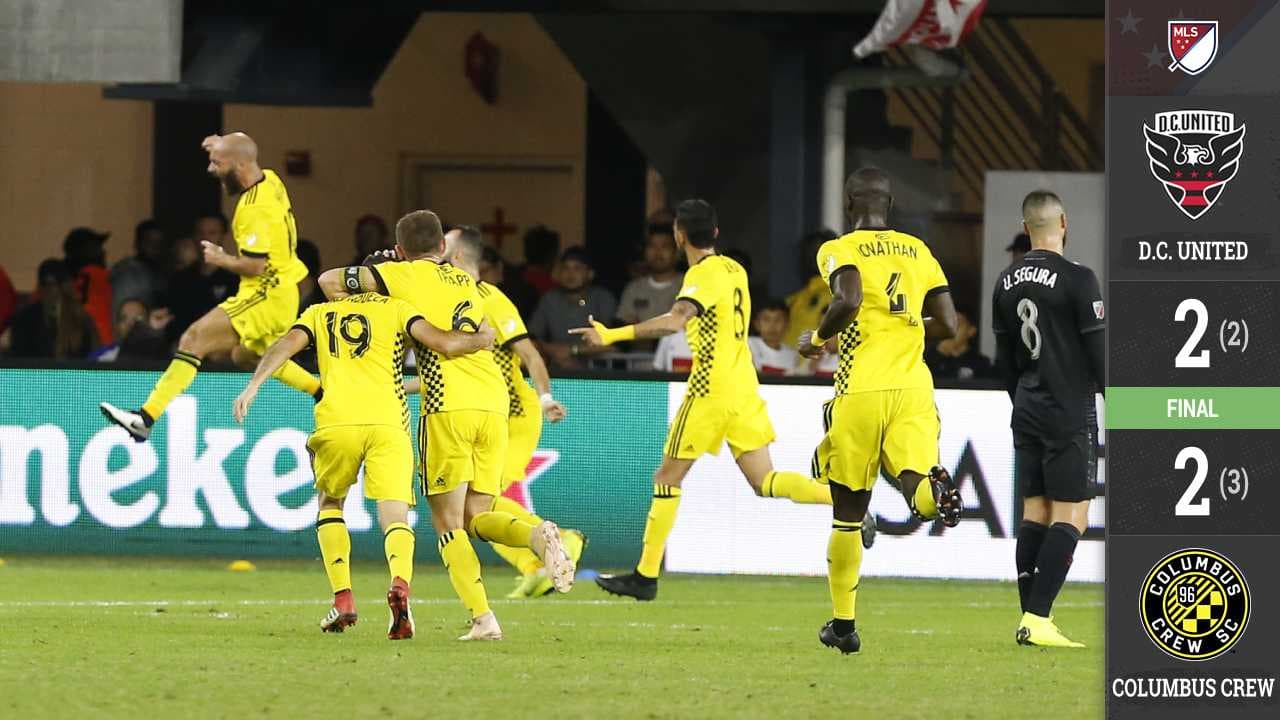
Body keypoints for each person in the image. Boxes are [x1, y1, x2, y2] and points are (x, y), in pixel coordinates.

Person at [317, 209, 575, 641]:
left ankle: (483, 617)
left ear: (401, 251)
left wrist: (380, 272)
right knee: (478, 514)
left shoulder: (400, 275)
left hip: (447, 407)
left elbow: (327, 283)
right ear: (443, 249)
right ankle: (534, 536)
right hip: (494, 405)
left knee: (448, 524)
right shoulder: (468, 282)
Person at [571, 199, 833, 602]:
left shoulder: (703, 274)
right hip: (744, 387)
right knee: (764, 481)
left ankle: (644, 576)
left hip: (710, 389)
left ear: (679, 235)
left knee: (666, 479)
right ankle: (846, 502)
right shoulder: (735, 269)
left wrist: (612, 335)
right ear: (714, 232)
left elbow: (675, 321)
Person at [233, 289, 495, 640]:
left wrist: (254, 386)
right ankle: (400, 584)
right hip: (388, 424)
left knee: (330, 503)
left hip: (337, 422)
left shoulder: (319, 312)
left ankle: (343, 597)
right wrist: (481, 339)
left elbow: (285, 344)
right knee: (395, 516)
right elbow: (441, 342)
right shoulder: (398, 307)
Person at [796, 167, 962, 655]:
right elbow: (950, 325)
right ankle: (934, 497)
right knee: (914, 478)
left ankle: (843, 626)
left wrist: (820, 340)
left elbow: (847, 300)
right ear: (889, 205)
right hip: (913, 384)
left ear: (850, 204)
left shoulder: (838, 249)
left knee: (848, 511)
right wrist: (907, 327)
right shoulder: (919, 250)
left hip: (862, 388)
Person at [100, 132, 321, 441]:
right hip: (282, 290)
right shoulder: (271, 180)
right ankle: (322, 393)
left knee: (193, 338)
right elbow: (242, 147)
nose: (211, 169)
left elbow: (255, 265)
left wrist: (221, 259)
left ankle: (145, 418)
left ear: (240, 165)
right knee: (255, 356)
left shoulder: (254, 209)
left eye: (217, 163)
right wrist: (222, 143)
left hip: (265, 294)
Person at [416, 225, 586, 599]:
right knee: (470, 512)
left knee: (480, 505)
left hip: (512, 414)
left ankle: (559, 541)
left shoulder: (489, 298)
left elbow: (528, 353)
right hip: (477, 411)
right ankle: (537, 564)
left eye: (444, 251)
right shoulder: (445, 300)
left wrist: (545, 397)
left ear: (457, 258)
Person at [992, 190, 1104, 649]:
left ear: (1026, 228)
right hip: (1067, 408)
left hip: (1027, 406)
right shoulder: (1080, 279)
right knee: (1072, 515)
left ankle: (1028, 618)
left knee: (1034, 511)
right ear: (1063, 222)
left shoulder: (1005, 281)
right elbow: (1099, 358)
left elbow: (1003, 362)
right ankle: (1037, 618)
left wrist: (1021, 402)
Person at [529, 247, 617, 369]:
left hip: (598, 370)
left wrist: (572, 350)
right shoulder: (549, 299)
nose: (570, 274)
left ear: (590, 274)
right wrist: (554, 350)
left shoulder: (603, 298)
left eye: (577, 268)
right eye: (566, 268)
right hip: (557, 366)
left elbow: (613, 344)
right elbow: (532, 338)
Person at [163, 218, 239, 342]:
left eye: (212, 233)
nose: (205, 239)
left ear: (222, 236)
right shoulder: (180, 280)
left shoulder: (236, 279)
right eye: (200, 233)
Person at [8, 259, 99, 359]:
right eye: (46, 285)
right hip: (39, 373)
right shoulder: (24, 320)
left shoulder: (81, 319)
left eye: (53, 285)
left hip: (73, 373)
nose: (51, 291)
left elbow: (94, 357)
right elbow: (18, 359)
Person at [617, 217, 683, 351]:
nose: (657, 253)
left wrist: (643, 334)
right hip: (637, 366)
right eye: (652, 246)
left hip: (677, 364)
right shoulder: (634, 288)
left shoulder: (688, 285)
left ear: (677, 253)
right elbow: (623, 330)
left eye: (665, 246)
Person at [785, 229, 838, 347]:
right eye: (809, 251)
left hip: (818, 362)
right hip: (789, 361)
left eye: (818, 250)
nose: (812, 256)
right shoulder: (796, 297)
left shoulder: (839, 294)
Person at [63, 227, 115, 346]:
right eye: (97, 248)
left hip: (69, 351)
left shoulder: (58, 280)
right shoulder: (101, 276)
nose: (103, 252)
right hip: (104, 351)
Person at [109, 220, 170, 319]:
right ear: (137, 243)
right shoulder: (126, 274)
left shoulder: (159, 272)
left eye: (159, 243)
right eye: (149, 242)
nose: (155, 248)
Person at [90, 299, 171, 363]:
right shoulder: (100, 358)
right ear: (117, 326)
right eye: (124, 318)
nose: (130, 324)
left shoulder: (164, 357)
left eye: (138, 318)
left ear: (148, 322)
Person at [925, 311, 993, 380]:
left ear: (971, 331)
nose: (950, 329)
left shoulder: (981, 363)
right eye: (946, 325)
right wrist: (938, 354)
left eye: (957, 324)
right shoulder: (927, 358)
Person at [749, 299, 803, 376]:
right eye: (766, 319)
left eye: (778, 320)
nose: (772, 325)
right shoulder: (748, 345)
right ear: (756, 324)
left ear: (787, 324)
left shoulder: (792, 355)